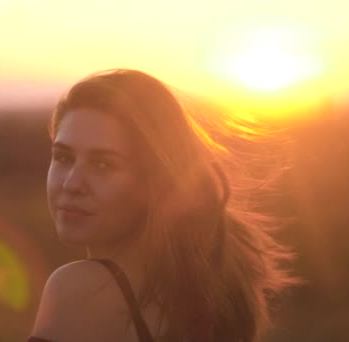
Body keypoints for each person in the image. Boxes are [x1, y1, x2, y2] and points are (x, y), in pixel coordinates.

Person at [28, 69, 296, 342]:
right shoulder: (202, 294)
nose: (72, 184)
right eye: (63, 157)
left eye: (103, 164)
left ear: (156, 182)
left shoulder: (83, 289)